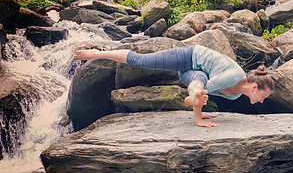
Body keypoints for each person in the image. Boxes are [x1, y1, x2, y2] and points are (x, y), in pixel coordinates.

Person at [73, 45, 274, 128]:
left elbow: (202, 89)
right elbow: (205, 90)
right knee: (140, 61)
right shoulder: (235, 75)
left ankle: (190, 99)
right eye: (264, 96)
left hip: (195, 74)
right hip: (187, 57)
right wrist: (198, 112)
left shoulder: (234, 97)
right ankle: (94, 53)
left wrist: (199, 116)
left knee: (199, 83)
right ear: (255, 86)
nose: (263, 101)